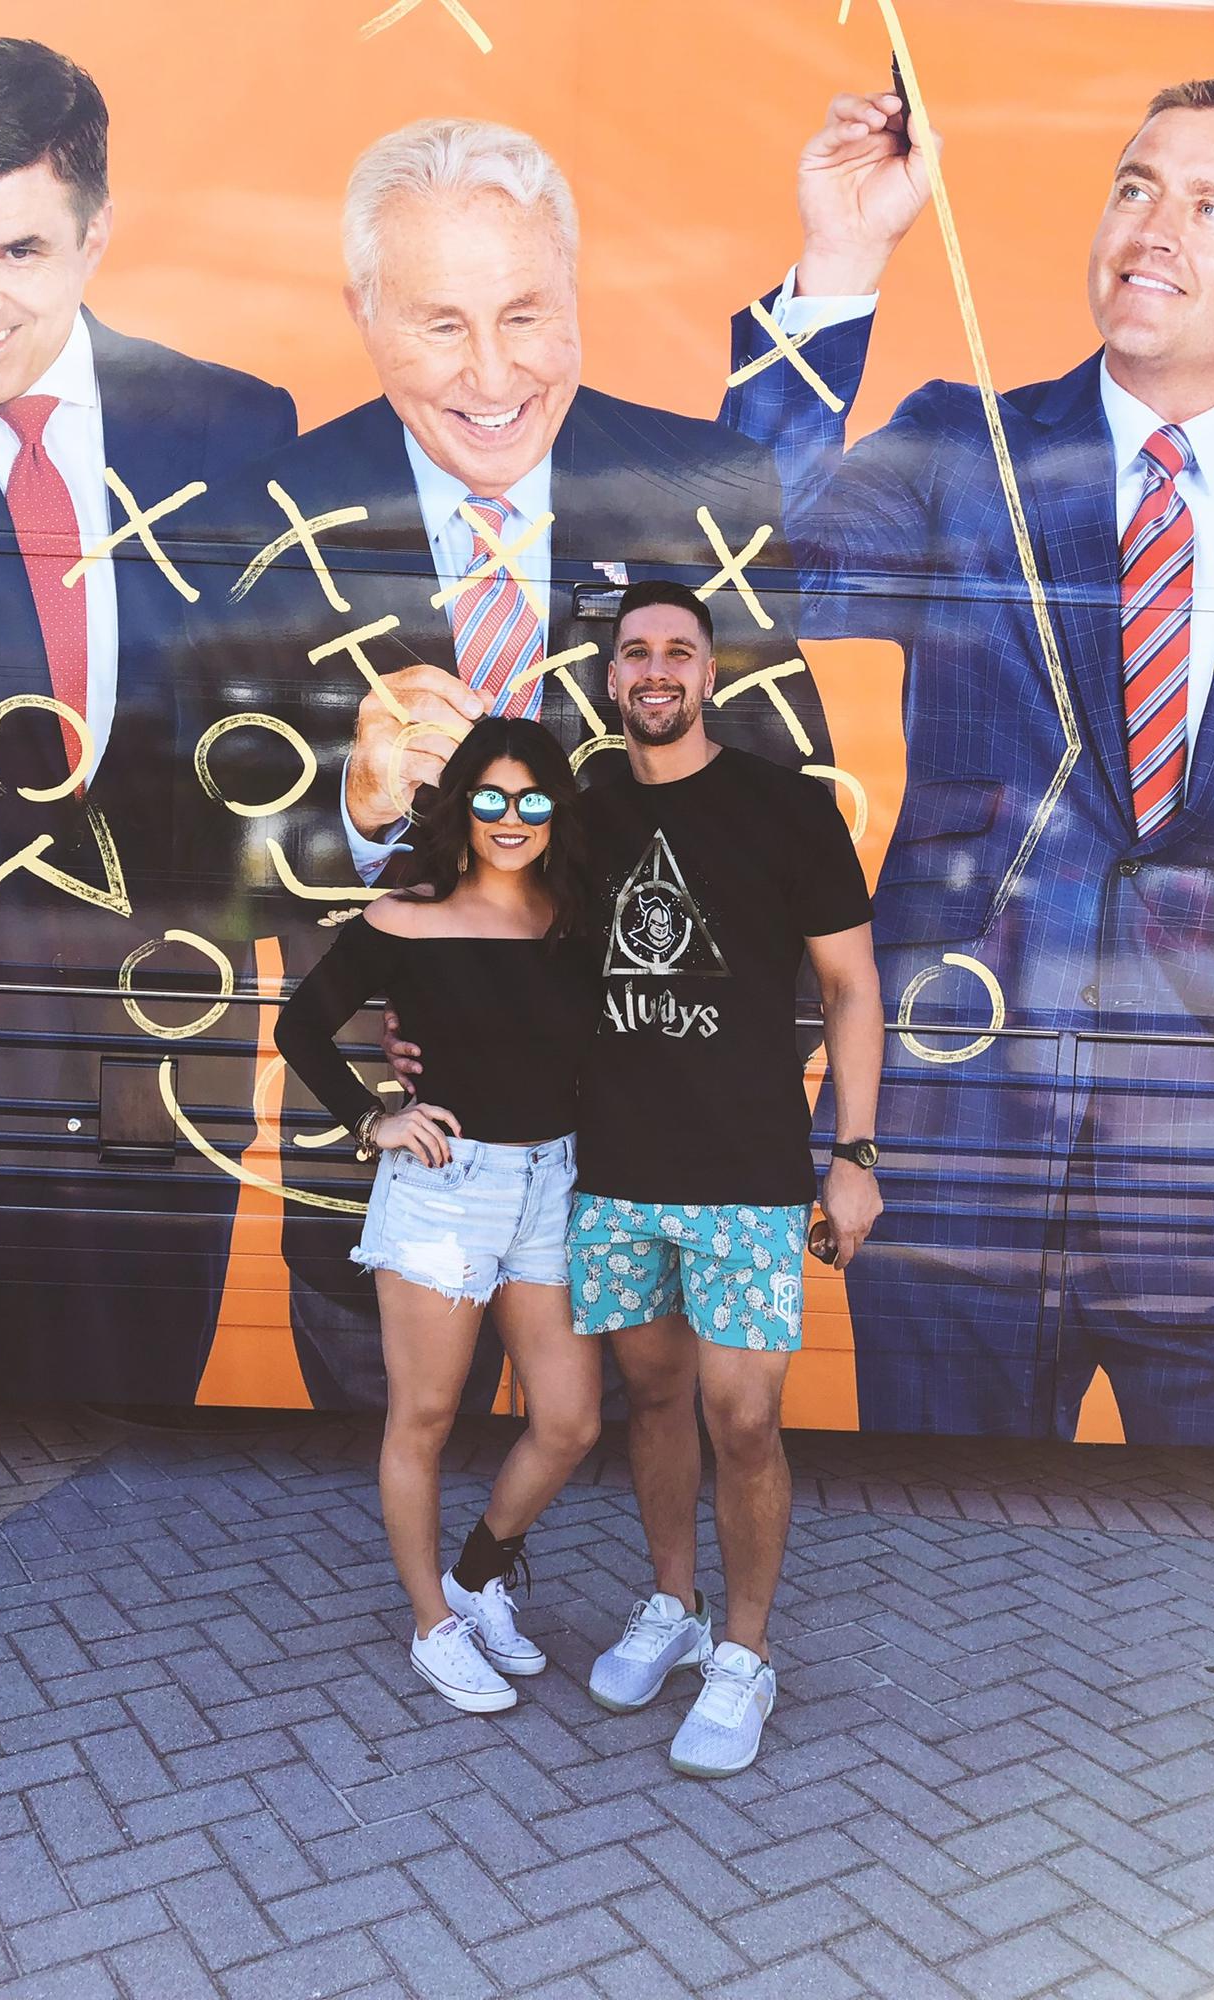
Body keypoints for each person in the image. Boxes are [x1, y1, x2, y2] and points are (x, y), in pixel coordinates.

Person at [186, 114, 834, 1411]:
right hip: (400, 1172)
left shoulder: (703, 485)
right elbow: (196, 846)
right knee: (397, 1467)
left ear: (575, 295)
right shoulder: (258, 516)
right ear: (364, 314)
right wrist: (354, 811)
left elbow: (788, 819)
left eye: (527, 314)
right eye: (443, 324)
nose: (494, 373)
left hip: (645, 1154)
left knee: (631, 1474)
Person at [723, 77, 1214, 1446]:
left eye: (1212, 207)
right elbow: (743, 576)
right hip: (952, 1173)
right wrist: (841, 259)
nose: (1154, 227)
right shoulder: (960, 448)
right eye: (1135, 187)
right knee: (936, 1561)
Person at [0, 39, 297, 1403]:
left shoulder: (232, 426)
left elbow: (267, 737)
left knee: (144, 1444)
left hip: (168, 1045)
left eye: (17, 251)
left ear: (95, 235)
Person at [389, 580, 885, 1776]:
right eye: (636, 653)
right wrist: (409, 1038)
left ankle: (746, 1653)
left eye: (678, 651)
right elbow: (476, 918)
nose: (656, 670)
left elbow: (852, 987)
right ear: (610, 678)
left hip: (751, 1176)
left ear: (710, 672)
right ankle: (675, 1605)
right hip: (609, 1175)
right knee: (654, 1403)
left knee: (744, 1417)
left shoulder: (788, 807)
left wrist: (856, 1153)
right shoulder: (584, 811)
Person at [273, 716, 602, 1713]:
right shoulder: (405, 917)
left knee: (570, 1420)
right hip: (447, 1187)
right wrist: (375, 1118)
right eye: (491, 797)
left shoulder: (573, 917)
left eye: (533, 799)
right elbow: (300, 1025)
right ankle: (433, 1623)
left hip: (552, 1183)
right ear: (462, 805)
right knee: (422, 1417)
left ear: (556, 811)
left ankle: (475, 1574)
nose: (512, 818)